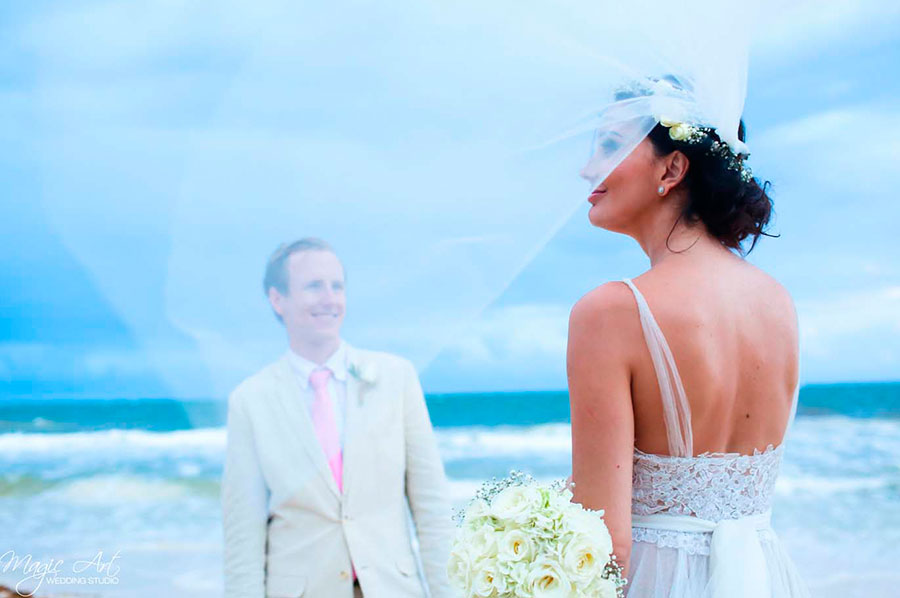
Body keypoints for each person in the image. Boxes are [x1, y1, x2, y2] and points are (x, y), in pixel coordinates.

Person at [567, 87, 810, 596]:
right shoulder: (777, 301)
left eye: (610, 146)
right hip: (763, 575)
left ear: (672, 168)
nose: (588, 169)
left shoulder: (610, 312)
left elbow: (606, 543)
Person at [222, 238, 453, 598]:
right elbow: (243, 535)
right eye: (314, 286)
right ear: (278, 299)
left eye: (337, 286)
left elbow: (432, 508)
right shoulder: (250, 401)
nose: (329, 299)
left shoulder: (397, 378)